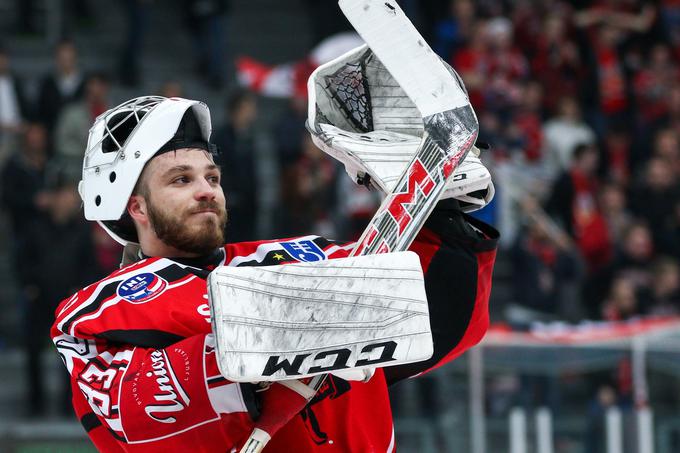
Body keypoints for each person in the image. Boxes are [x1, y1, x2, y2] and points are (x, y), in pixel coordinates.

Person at [51, 96, 498, 451]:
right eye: (181, 180)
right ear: (137, 207)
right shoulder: (101, 312)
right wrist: (298, 329)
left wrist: (443, 217)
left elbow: (438, 322)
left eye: (212, 176)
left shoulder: (303, 256)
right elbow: (141, 416)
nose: (207, 190)